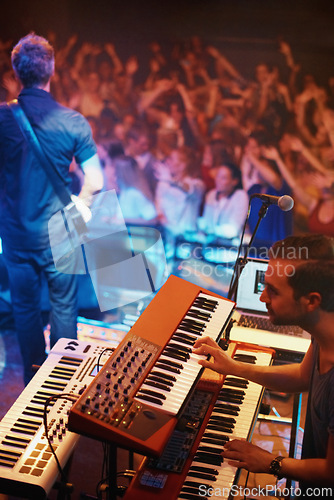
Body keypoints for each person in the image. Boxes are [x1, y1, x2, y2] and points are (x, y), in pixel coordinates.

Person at [193, 234, 334, 496]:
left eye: (274, 291)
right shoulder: (323, 328)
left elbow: (330, 471)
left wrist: (270, 462)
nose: (262, 298)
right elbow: (302, 376)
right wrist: (233, 367)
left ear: (312, 300)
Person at [0, 33, 103, 385]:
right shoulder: (73, 121)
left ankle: (32, 382)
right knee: (63, 307)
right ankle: (60, 384)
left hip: (15, 232)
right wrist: (82, 206)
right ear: (52, 69)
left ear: (16, 71)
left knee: (25, 309)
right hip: (61, 229)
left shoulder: (2, 118)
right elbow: (96, 180)